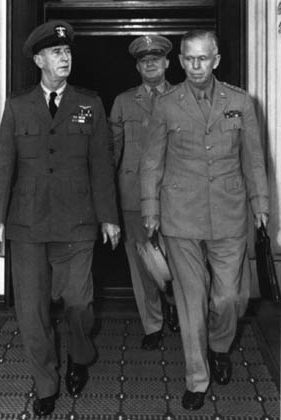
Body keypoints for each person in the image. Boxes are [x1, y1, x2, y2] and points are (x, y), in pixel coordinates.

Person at [0, 20, 120, 417]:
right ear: (39, 59)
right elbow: (3, 163)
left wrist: (108, 217)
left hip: (77, 222)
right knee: (32, 312)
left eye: (68, 52)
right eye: (57, 52)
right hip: (26, 225)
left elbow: (100, 165)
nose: (65, 57)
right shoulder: (18, 104)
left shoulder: (88, 103)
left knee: (79, 302)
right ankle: (46, 383)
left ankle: (80, 355)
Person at [141, 30, 269, 410]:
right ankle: (197, 379)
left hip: (229, 215)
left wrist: (261, 204)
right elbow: (151, 161)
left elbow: (255, 159)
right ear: (180, 60)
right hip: (180, 217)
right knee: (191, 301)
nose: (195, 66)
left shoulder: (241, 102)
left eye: (203, 59)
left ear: (215, 59)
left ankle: (220, 345)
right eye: (189, 59)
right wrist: (150, 210)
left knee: (230, 298)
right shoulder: (166, 104)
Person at [109, 35, 179, 351]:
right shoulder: (124, 102)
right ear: (138, 66)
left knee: (177, 261)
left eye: (156, 58)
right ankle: (153, 324)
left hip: (175, 197)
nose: (150, 63)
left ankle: (177, 304)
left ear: (167, 63)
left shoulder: (182, 98)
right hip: (133, 197)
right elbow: (112, 151)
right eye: (144, 59)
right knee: (142, 265)